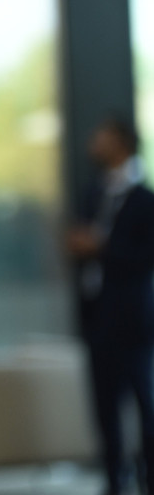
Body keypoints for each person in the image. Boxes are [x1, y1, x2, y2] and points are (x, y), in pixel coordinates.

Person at [68, 117, 154, 495]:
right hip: (97, 315)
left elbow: (145, 258)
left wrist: (100, 247)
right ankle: (113, 477)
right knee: (103, 402)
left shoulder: (144, 200)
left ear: (121, 143)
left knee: (143, 399)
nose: (94, 142)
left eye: (102, 136)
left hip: (133, 319)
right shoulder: (92, 194)